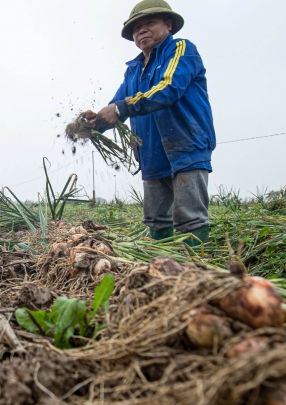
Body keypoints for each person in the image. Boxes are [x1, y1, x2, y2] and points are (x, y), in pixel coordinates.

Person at [86, 0, 215, 245]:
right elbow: (118, 104)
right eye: (136, 28)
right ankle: (160, 268)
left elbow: (168, 88)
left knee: (189, 218)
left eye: (149, 23)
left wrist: (120, 108)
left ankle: (196, 271)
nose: (142, 30)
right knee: (155, 219)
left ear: (168, 24)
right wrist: (96, 124)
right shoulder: (134, 70)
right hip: (151, 153)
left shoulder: (181, 49)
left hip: (185, 147)